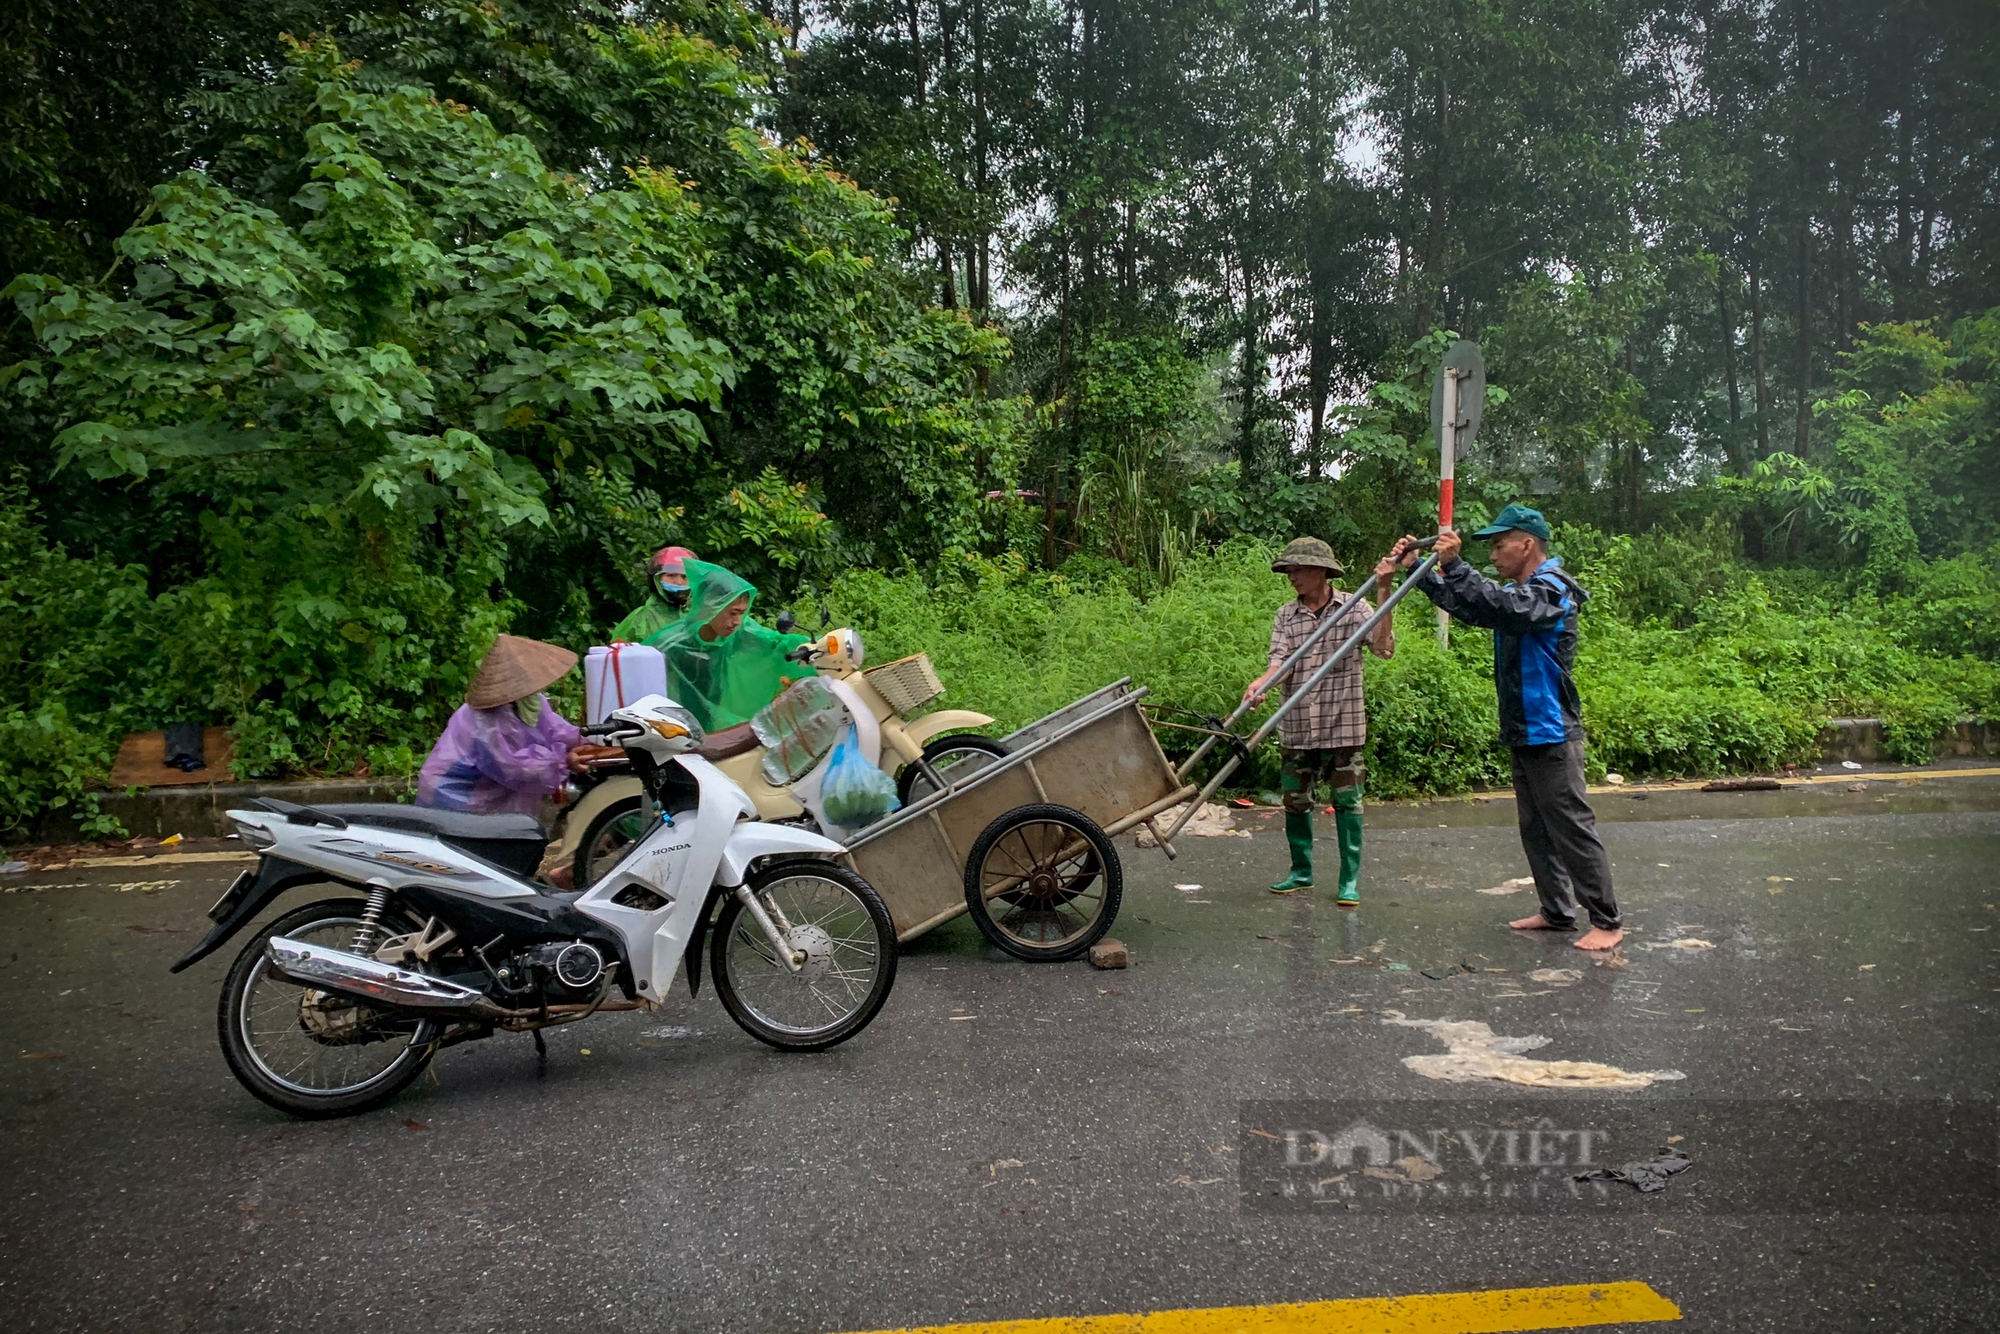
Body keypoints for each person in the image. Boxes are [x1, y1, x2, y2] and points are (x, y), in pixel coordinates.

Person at [1382, 504, 1623, 950]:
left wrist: (1456, 564)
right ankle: (1556, 911)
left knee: (1570, 826)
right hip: (1523, 727)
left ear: (1526, 543)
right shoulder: (1522, 591)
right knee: (1535, 827)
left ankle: (1607, 921)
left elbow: (1502, 606)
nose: (1493, 554)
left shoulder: (1551, 590)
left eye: (1498, 545)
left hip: (1551, 728)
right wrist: (1421, 571)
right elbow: (1472, 606)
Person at [1242, 536, 1396, 902]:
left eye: (1298, 570)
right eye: (1289, 570)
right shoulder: (1286, 615)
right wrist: (1261, 684)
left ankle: (1349, 881)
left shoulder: (1353, 607)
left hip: (1343, 721)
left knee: (1347, 802)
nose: (1292, 577)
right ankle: (1300, 872)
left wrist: (1384, 589)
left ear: (1321, 571)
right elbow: (1279, 663)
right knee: (1295, 800)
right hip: (1298, 725)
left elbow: (1382, 648)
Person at [418, 635, 620, 816]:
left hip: (486, 793)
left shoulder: (530, 701)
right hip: (453, 796)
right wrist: (563, 761)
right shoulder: (483, 720)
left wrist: (596, 741)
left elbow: (557, 730)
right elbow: (515, 768)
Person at [646, 559, 814, 733]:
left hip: (716, 725)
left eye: (742, 613)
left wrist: (820, 648)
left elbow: (776, 643)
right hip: (673, 730)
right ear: (710, 606)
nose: (737, 622)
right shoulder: (671, 644)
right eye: (733, 613)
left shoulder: (741, 631)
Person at [608, 546, 698, 644]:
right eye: (671, 575)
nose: (679, 582)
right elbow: (615, 655)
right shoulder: (640, 619)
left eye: (685, 577)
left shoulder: (700, 618)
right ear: (657, 579)